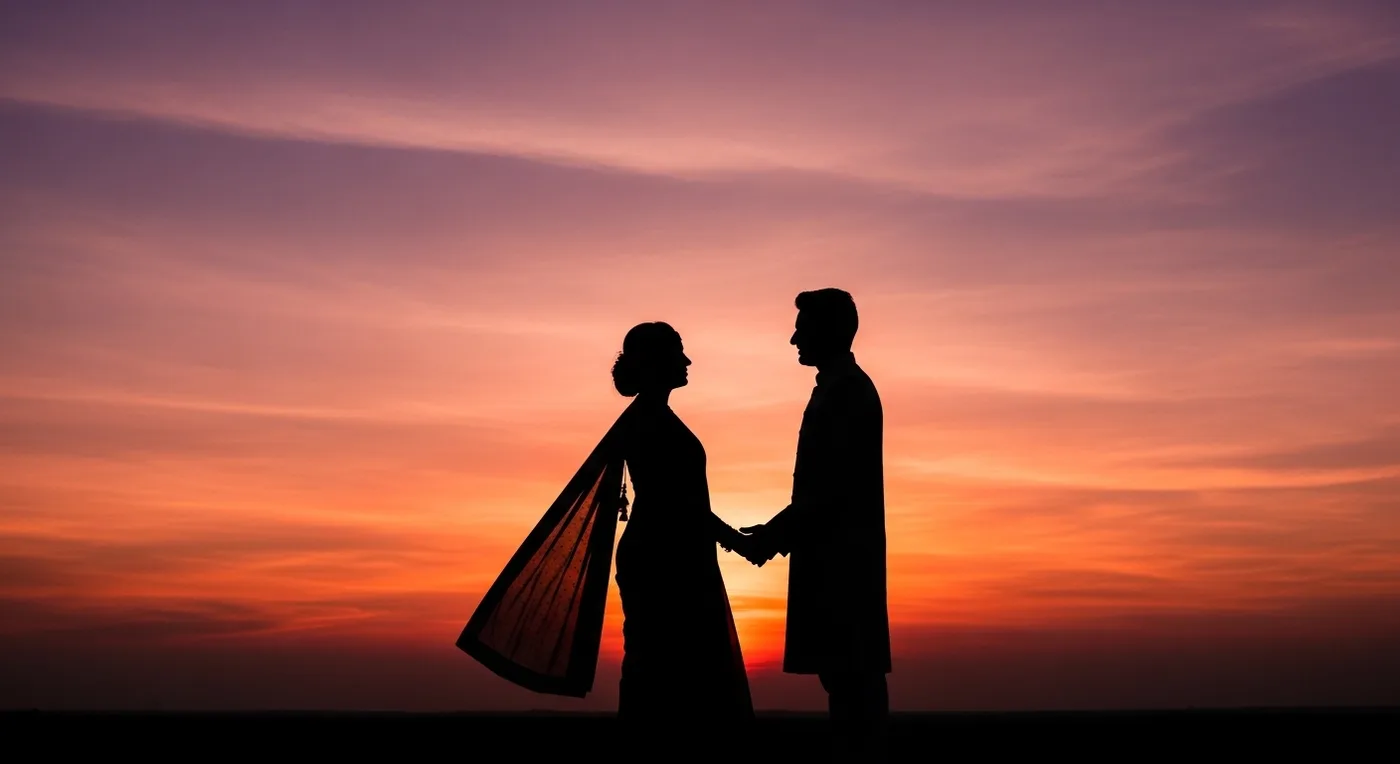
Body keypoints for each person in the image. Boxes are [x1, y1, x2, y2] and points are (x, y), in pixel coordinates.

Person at [456, 322, 757, 746]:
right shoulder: (649, 422)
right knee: (662, 669)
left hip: (670, 552)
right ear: (656, 362)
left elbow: (683, 505)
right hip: (662, 557)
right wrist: (740, 542)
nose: (688, 361)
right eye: (678, 352)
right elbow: (677, 502)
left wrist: (734, 541)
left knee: (667, 669)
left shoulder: (652, 418)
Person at [739, 288, 891, 760]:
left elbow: (830, 488)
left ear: (829, 331)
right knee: (845, 679)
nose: (793, 340)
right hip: (834, 562)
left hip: (843, 566)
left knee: (852, 681)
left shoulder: (847, 392)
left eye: (802, 330)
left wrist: (773, 535)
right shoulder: (836, 389)